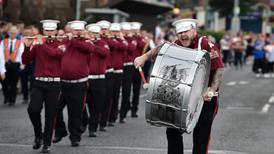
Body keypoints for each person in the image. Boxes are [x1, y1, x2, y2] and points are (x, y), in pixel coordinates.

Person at [134, 18, 224, 154]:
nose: (183, 35)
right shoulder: (177, 44)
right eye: (179, 33)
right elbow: (162, 48)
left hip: (206, 99)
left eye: (186, 31)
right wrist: (144, 57)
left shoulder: (205, 44)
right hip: (181, 96)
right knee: (172, 132)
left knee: (201, 137)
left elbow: (219, 68)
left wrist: (211, 89)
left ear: (194, 31)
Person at [22, 20, 64, 153]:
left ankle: (47, 143)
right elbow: (25, 60)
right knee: (33, 110)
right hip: (39, 82)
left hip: (54, 84)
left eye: (52, 30)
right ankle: (38, 135)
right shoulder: (37, 43)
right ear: (43, 31)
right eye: (47, 31)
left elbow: (55, 54)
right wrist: (28, 47)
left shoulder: (61, 44)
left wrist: (42, 44)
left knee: (50, 115)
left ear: (56, 31)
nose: (49, 33)